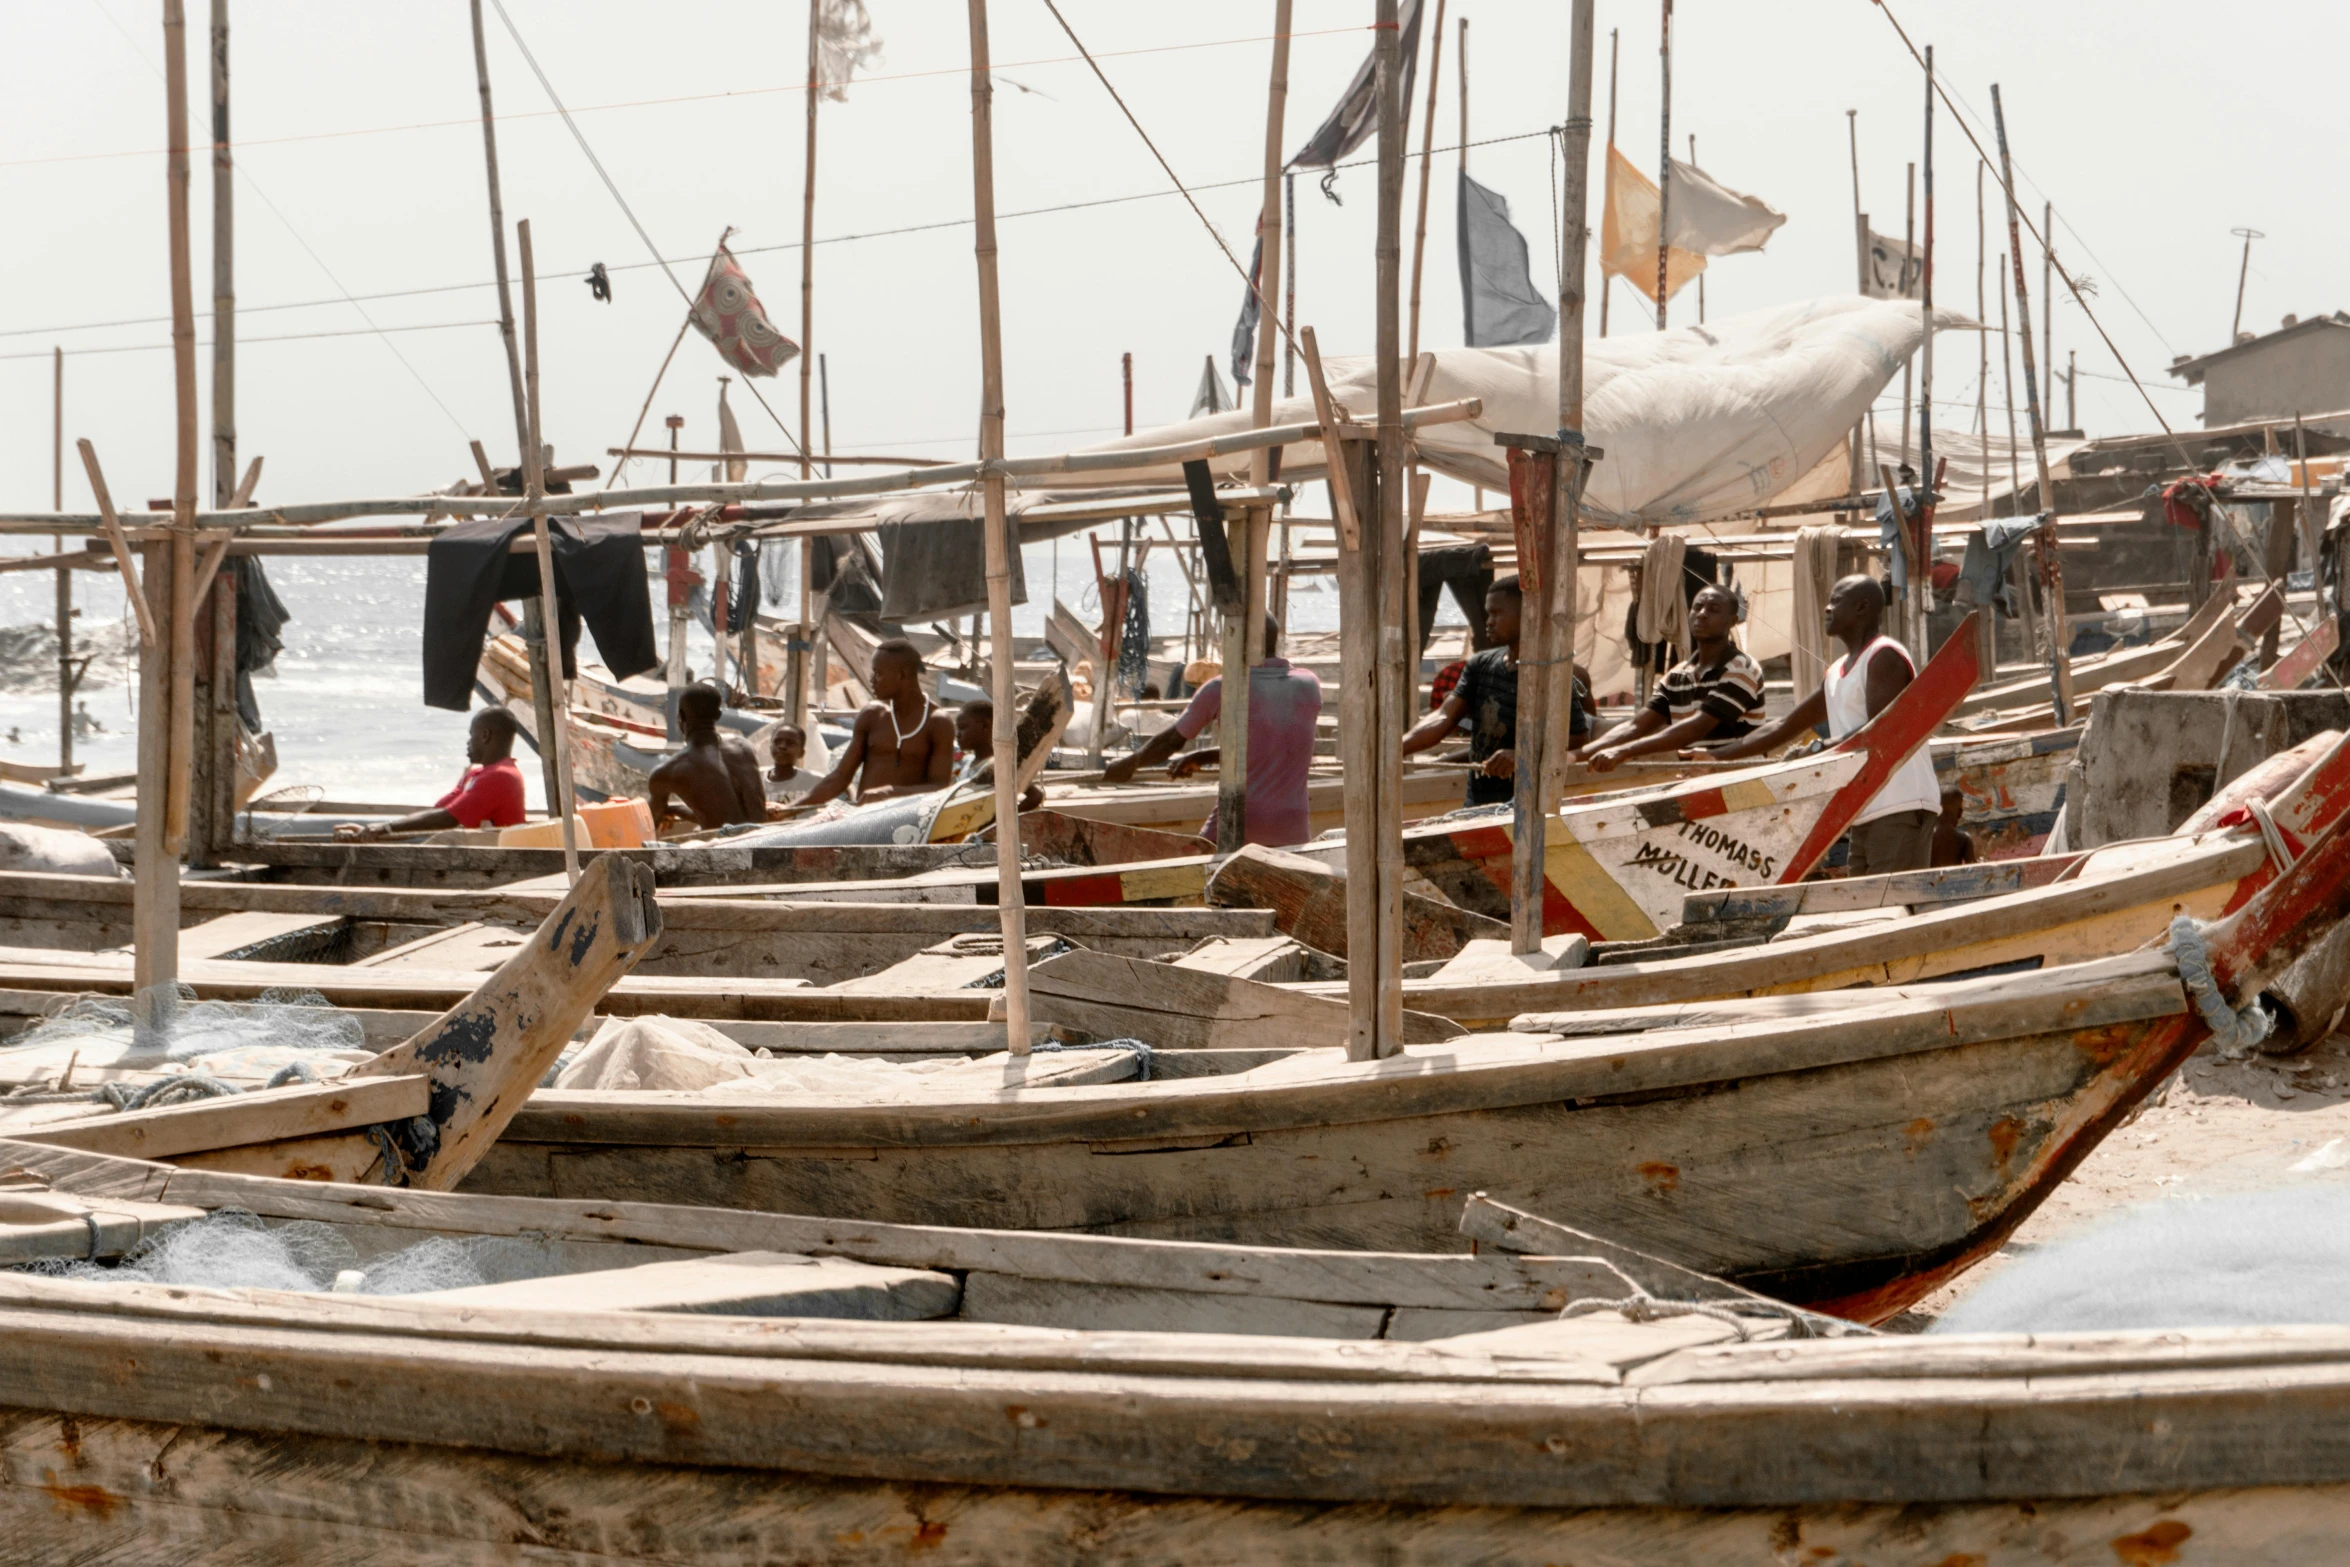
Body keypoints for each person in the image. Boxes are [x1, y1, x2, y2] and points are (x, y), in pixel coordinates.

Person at [1700, 574, 1941, 875]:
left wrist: (1817, 748)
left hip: (1900, 802)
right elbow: (1784, 726)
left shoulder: (1884, 656)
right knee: (1867, 909)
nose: (1827, 608)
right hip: (1864, 808)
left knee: (1894, 906)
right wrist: (1714, 759)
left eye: (1836, 601)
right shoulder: (1838, 671)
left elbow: (1881, 731)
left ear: (1862, 607)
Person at [1103, 614, 1323, 847]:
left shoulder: (1223, 687)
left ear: (1238, 640)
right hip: (1293, 827)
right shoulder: (1310, 684)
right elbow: (1266, 746)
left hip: (1241, 824)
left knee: (1195, 869)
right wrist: (1202, 756)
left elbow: (1170, 743)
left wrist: (1129, 764)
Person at [1401, 576, 1591, 807]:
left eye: (1497, 614)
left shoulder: (1553, 673)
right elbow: (1444, 716)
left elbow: (1579, 740)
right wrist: (1397, 749)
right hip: (1479, 798)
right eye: (1488, 614)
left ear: (1528, 615)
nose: (1489, 622)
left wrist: (1523, 755)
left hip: (1532, 804)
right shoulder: (1481, 664)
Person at [1581, 583, 1765, 772]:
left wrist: (1622, 751)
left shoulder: (1742, 669)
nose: (1702, 614)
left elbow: (1696, 727)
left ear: (1732, 621)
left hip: (1742, 779)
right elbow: (1636, 726)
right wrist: (1577, 755)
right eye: (1697, 607)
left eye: (1714, 610)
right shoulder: (1677, 676)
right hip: (1697, 779)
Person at [798, 637, 956, 806]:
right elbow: (840, 777)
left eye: (878, 674)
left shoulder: (938, 723)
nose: (872, 680)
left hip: (908, 823)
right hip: (865, 820)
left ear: (902, 675)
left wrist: (891, 793)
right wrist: (792, 808)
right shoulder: (872, 715)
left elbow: (940, 788)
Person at [338, 706, 527, 839]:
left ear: (485, 736)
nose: (468, 742)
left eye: (472, 735)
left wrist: (385, 828)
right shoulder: (477, 774)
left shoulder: (501, 776)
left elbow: (448, 819)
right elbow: (436, 813)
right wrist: (374, 833)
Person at [647, 681, 768, 831]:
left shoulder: (669, 771)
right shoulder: (743, 747)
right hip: (766, 842)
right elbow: (728, 817)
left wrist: (663, 809)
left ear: (681, 717)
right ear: (718, 715)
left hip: (729, 850)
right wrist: (676, 810)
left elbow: (651, 823)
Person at [952, 700, 1045, 813]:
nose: (957, 734)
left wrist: (998, 820)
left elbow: (1035, 796)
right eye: (957, 728)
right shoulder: (967, 762)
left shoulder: (996, 766)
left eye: (963, 727)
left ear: (985, 726)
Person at [1932, 784, 1978, 868]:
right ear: (1960, 813)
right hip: (1955, 881)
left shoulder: (1926, 837)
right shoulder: (1964, 839)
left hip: (1928, 881)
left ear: (1935, 810)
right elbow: (1973, 868)